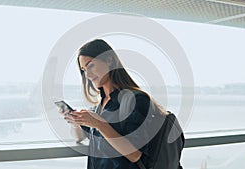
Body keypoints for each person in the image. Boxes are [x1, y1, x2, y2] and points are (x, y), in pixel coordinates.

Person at [59, 39, 169, 169]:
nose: (87, 74)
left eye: (90, 65)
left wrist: (99, 124)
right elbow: (80, 138)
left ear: (109, 60)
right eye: (83, 70)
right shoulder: (100, 106)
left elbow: (135, 155)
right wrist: (76, 121)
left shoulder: (137, 100)